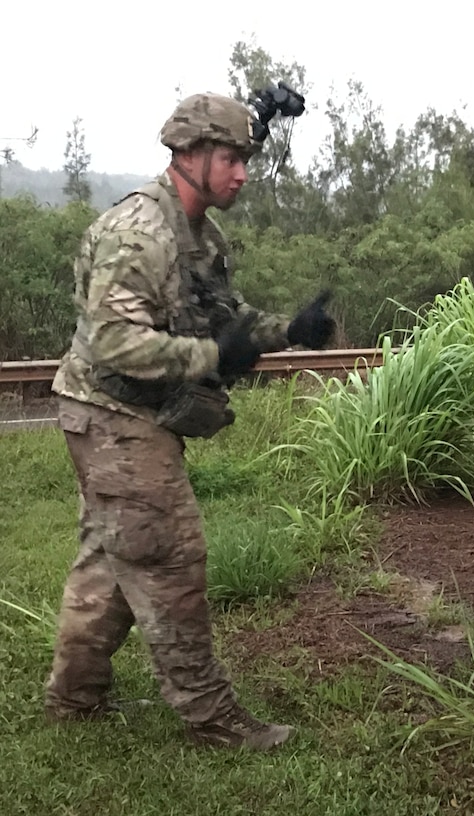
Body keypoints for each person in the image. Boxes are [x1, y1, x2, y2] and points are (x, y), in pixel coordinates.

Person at [44, 92, 335, 750]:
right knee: (170, 557)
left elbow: (224, 318)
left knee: (112, 558)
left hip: (122, 411)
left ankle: (72, 696)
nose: (242, 174)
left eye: (245, 160)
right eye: (230, 159)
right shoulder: (139, 233)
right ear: (190, 155)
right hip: (115, 414)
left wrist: (288, 331)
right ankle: (213, 718)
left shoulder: (201, 233)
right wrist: (211, 355)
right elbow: (116, 341)